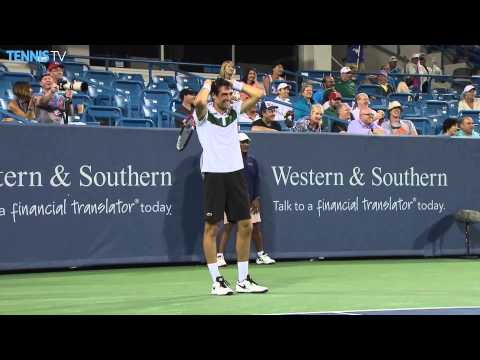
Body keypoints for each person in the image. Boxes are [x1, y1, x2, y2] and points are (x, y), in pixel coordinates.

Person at [193, 77, 267, 295]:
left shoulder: (234, 110)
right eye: (223, 95)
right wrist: (208, 85)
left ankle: (243, 281)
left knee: (246, 225)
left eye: (229, 94)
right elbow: (198, 103)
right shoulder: (203, 115)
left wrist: (233, 83)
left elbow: (257, 94)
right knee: (212, 228)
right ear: (214, 97)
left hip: (236, 174)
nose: (228, 98)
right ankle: (216, 281)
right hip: (214, 175)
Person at [217, 133, 276, 267]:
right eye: (242, 142)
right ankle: (219, 256)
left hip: (250, 201)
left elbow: (256, 180)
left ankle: (261, 255)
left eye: (247, 142)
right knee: (227, 227)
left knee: (255, 227)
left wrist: (256, 198)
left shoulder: (252, 161)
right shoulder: (228, 160)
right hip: (231, 200)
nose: (245, 145)